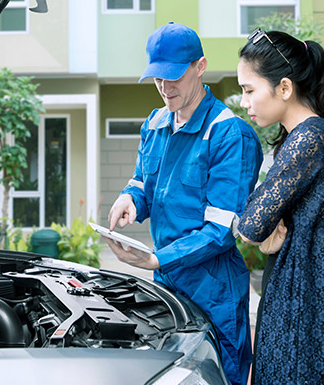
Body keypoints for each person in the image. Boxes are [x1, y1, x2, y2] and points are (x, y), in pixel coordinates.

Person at [104, 22, 262, 385]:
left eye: (174, 76)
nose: (165, 87)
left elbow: (221, 230)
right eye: (158, 78)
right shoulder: (155, 123)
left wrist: (157, 259)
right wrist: (129, 199)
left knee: (221, 377)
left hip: (214, 291)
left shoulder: (228, 133)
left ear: (200, 66)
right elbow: (143, 183)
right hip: (166, 286)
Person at [233, 28, 324, 384]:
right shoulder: (305, 136)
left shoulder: (308, 138)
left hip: (303, 292)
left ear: (284, 88)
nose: (245, 102)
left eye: (249, 90)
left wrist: (251, 223)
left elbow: (254, 224)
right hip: (306, 281)